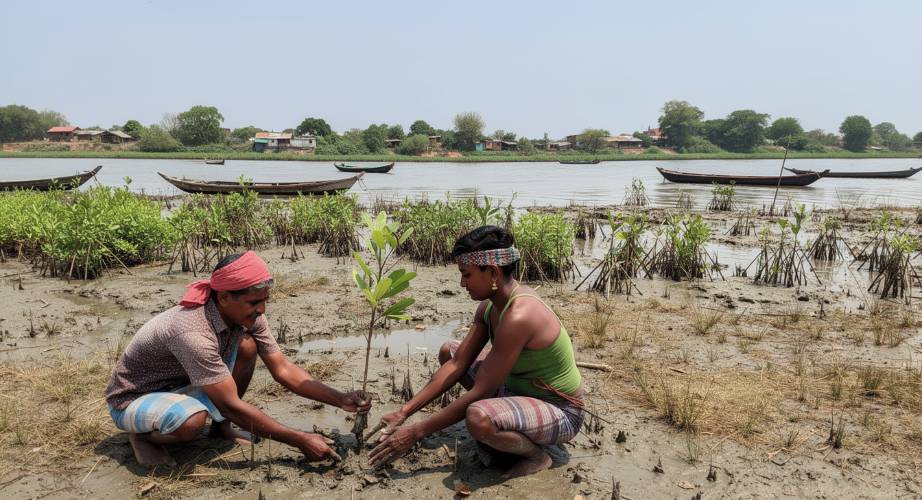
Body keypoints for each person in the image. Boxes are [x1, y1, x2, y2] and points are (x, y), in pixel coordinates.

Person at [105, 251, 370, 467]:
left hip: (184, 384)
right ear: (224, 297)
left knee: (246, 346)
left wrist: (340, 398)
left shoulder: (249, 315)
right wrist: (299, 439)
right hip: (133, 397)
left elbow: (284, 369)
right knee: (191, 423)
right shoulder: (191, 330)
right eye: (254, 302)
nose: (262, 309)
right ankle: (144, 438)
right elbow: (230, 404)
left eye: (265, 300)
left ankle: (221, 429)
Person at [369, 226, 584, 478]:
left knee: (477, 417)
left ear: (492, 272)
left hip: (560, 410)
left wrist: (416, 432)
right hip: (517, 390)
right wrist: (404, 412)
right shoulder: (488, 307)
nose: (462, 283)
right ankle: (506, 424)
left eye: (466, 274)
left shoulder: (519, 315)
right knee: (448, 351)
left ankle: (537, 456)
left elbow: (480, 391)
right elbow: (457, 363)